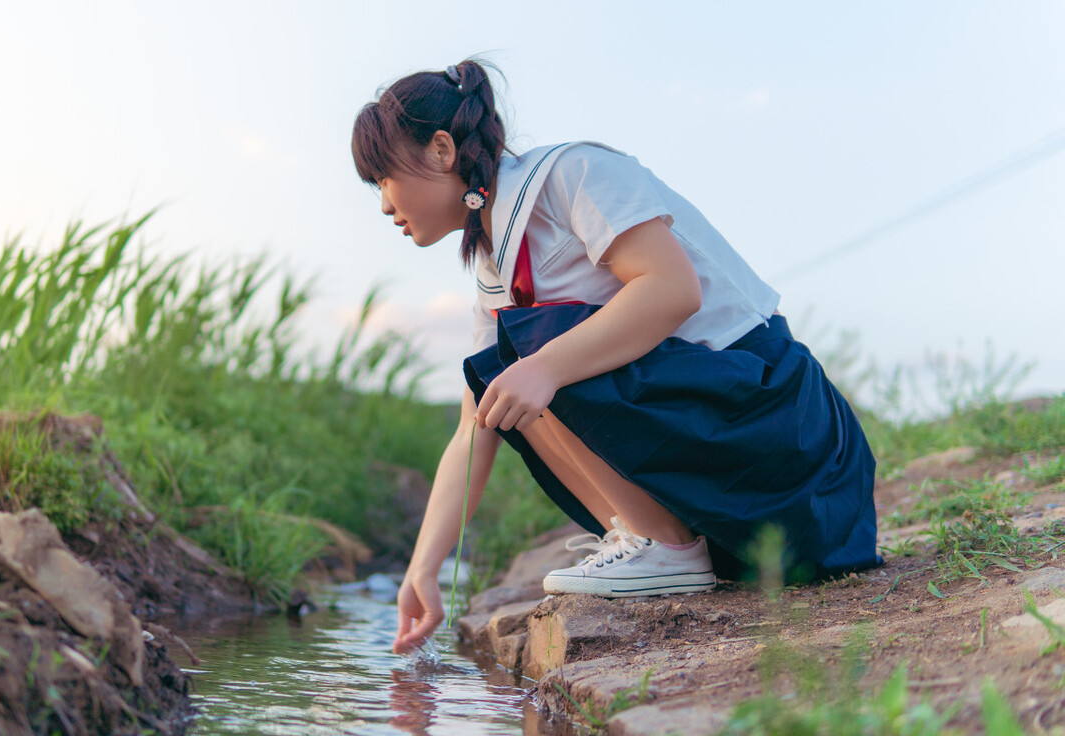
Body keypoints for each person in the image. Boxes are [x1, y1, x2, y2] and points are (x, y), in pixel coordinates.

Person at [352, 59, 881, 655]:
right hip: (730, 488)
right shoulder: (496, 265)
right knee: (502, 370)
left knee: (529, 355)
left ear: (442, 149)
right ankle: (651, 539)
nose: (382, 205)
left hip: (783, 433)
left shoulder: (574, 173)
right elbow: (474, 427)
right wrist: (423, 568)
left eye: (382, 179)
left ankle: (667, 548)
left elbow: (673, 289)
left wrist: (545, 366)